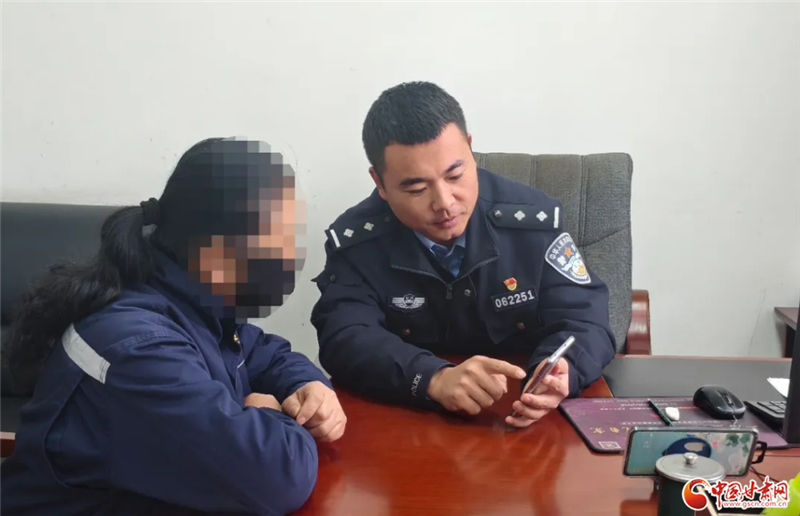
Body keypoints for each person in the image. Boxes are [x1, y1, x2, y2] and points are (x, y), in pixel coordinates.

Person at [0, 137, 346, 516]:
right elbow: (278, 477)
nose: (291, 255)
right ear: (217, 253)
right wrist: (268, 413)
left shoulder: (193, 300)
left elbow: (259, 350)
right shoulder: (137, 348)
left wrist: (306, 383)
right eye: (279, 240)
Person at [310, 81, 616, 429]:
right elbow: (345, 337)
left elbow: (586, 319)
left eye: (455, 175)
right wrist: (431, 377)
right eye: (417, 188)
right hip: (409, 421)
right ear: (379, 182)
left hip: (523, 420)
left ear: (470, 148)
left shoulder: (532, 221)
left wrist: (565, 369)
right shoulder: (358, 242)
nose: (444, 203)